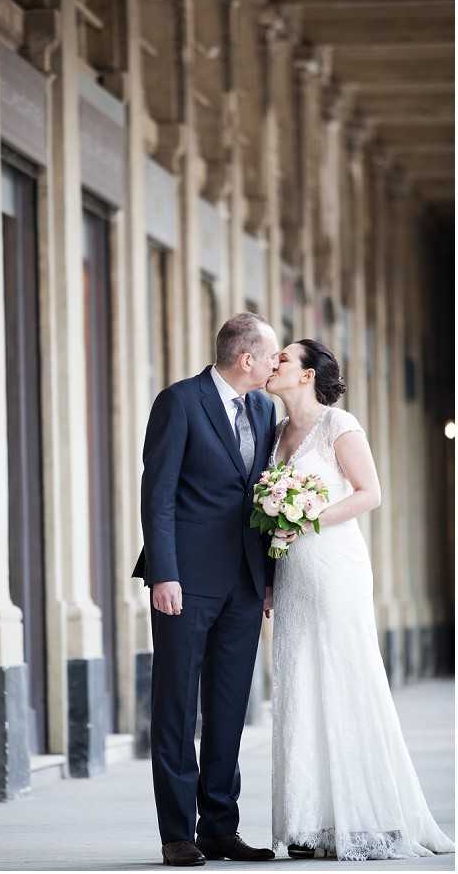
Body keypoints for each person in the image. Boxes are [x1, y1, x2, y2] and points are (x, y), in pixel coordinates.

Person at [265, 339, 455, 862]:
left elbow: (370, 492)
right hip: (292, 573)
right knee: (300, 682)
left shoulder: (338, 424)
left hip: (333, 566)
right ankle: (309, 823)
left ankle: (367, 817)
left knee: (342, 675)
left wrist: (303, 517)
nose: (273, 363)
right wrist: (268, 575)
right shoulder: (276, 431)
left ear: (306, 376)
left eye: (283, 358)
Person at [132, 313, 279, 866]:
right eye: (269, 357)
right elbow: (158, 494)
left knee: (228, 706)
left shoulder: (264, 409)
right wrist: (164, 573)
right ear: (246, 359)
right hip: (185, 583)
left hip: (244, 583)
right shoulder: (179, 401)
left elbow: (261, 498)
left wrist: (267, 578)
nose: (273, 366)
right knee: (175, 705)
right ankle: (178, 834)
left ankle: (221, 827)